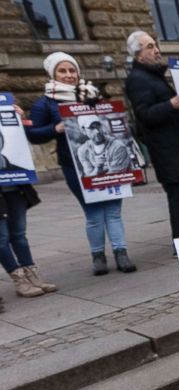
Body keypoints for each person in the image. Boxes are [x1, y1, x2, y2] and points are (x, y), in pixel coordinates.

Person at [27, 51, 135, 275]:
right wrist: (54, 129)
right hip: (76, 166)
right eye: (62, 71)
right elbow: (33, 134)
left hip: (111, 162)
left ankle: (121, 253)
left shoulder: (92, 94)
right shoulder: (45, 104)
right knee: (94, 213)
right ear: (52, 74)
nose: (69, 75)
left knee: (114, 212)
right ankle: (98, 256)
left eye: (72, 70)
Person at [125, 31, 179, 241]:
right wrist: (171, 105)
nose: (156, 51)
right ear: (138, 54)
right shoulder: (138, 79)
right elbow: (144, 114)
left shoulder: (154, 76)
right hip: (169, 151)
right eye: (149, 47)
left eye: (155, 46)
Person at [0, 104, 56, 298]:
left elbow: (22, 143)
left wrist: (19, 120)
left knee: (19, 234)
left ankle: (32, 274)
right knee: (1, 238)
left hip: (14, 187)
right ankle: (19, 279)